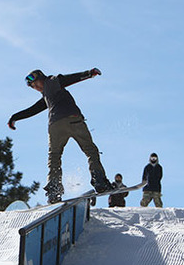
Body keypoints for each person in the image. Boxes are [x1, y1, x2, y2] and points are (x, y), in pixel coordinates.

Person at [8, 68, 113, 204]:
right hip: (73, 120)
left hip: (56, 125)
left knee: (55, 156)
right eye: (33, 87)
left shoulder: (51, 82)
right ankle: (100, 182)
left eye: (37, 84)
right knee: (89, 150)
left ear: (41, 77)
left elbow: (67, 79)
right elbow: (34, 109)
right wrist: (15, 117)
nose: (37, 88)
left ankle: (54, 191)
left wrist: (87, 74)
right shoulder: (47, 95)